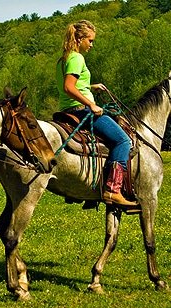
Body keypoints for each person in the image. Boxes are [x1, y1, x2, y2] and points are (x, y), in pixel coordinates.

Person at [56, 20, 138, 208]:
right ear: (79, 39)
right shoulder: (77, 58)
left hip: (66, 109)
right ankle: (113, 189)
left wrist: (91, 87)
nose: (91, 45)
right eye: (90, 40)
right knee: (123, 140)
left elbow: (70, 85)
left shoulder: (63, 59)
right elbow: (69, 87)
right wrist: (91, 104)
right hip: (81, 110)